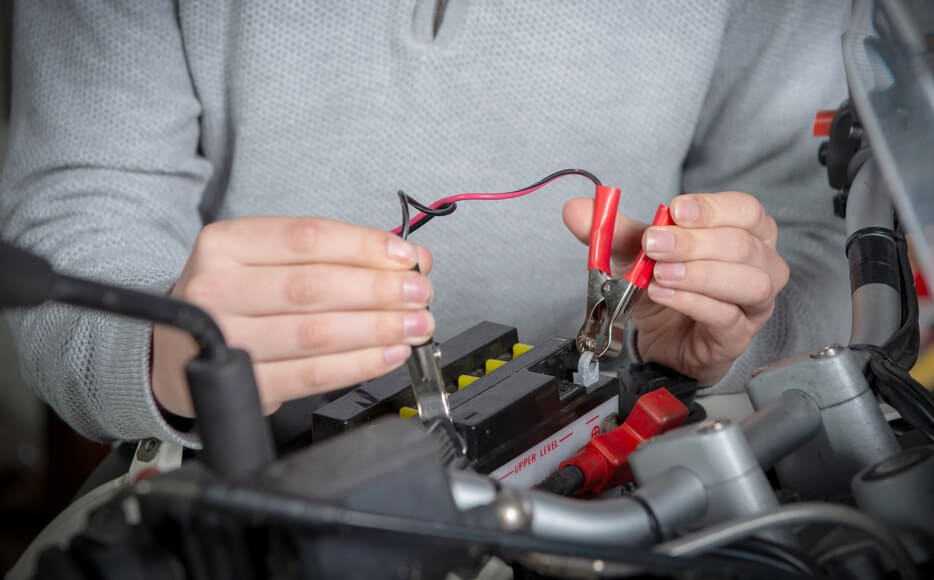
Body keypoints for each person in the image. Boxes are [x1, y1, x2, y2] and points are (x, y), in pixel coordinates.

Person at [0, 1, 852, 447]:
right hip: (231, 467)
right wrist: (156, 354)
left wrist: (742, 330)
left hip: (622, 449)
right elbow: (77, 214)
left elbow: (822, 246)